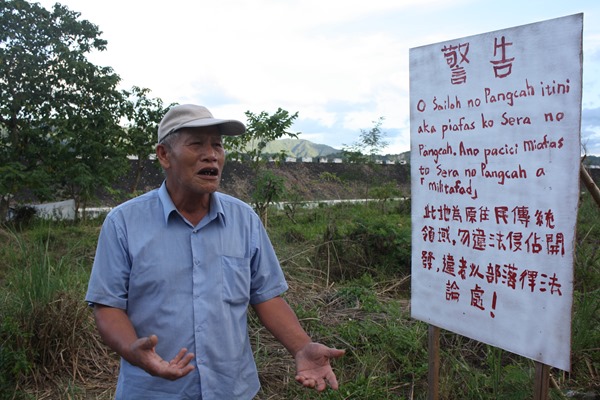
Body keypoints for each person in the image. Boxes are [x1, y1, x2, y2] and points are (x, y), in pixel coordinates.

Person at [85, 104, 345, 399]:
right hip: (152, 391)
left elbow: (266, 296)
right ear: (164, 155)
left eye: (217, 145)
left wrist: (301, 346)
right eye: (197, 144)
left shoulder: (244, 219)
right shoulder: (124, 223)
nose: (211, 154)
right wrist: (133, 351)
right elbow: (108, 306)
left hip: (231, 390)